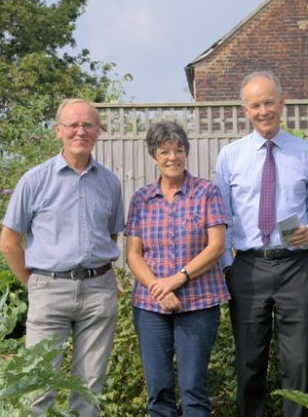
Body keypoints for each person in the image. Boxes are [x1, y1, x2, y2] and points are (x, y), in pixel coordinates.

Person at [0, 98, 124, 416]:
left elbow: (110, 235)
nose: (80, 131)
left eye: (88, 125)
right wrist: (35, 284)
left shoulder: (110, 183)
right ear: (58, 131)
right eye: (73, 125)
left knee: (89, 386)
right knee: (38, 384)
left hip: (98, 291)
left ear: (97, 131)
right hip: (49, 290)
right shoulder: (34, 181)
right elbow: (9, 242)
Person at [214, 70, 308, 417]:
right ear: (245, 110)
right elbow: (221, 217)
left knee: (298, 363)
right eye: (255, 105)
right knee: (249, 364)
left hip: (295, 266)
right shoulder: (230, 157)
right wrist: (229, 267)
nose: (263, 111)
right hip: (247, 267)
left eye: (269, 102)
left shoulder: (304, 153)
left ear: (282, 102)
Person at [125, 121, 229, 416]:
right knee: (157, 388)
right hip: (150, 305)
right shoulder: (141, 199)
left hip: (198, 302)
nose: (173, 157)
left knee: (193, 387)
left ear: (187, 153)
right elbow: (133, 254)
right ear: (153, 157)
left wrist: (176, 279)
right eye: (164, 151)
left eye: (178, 150)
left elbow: (216, 247)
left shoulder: (206, 192)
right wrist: (159, 289)